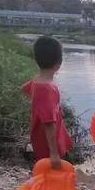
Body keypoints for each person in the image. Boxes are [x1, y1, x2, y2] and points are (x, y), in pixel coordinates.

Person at [21, 36, 72, 170]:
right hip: (48, 144)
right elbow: (49, 123)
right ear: (58, 64)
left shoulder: (37, 81)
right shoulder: (47, 89)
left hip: (39, 137)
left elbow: (24, 89)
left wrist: (41, 107)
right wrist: (54, 153)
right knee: (53, 172)